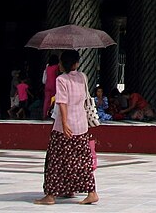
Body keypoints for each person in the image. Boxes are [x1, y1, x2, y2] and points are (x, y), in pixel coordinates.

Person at [34, 49, 98, 205]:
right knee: (82, 160)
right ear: (76, 63)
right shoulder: (83, 77)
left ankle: (50, 195)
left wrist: (64, 123)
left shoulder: (61, 79)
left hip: (64, 127)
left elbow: (62, 102)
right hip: (81, 125)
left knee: (56, 160)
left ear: (62, 64)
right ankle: (91, 192)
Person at [42, 55, 60, 119]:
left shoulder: (48, 67)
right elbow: (57, 74)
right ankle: (52, 113)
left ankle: (44, 114)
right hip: (54, 84)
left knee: (46, 100)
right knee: (54, 99)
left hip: (47, 85)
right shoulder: (56, 67)